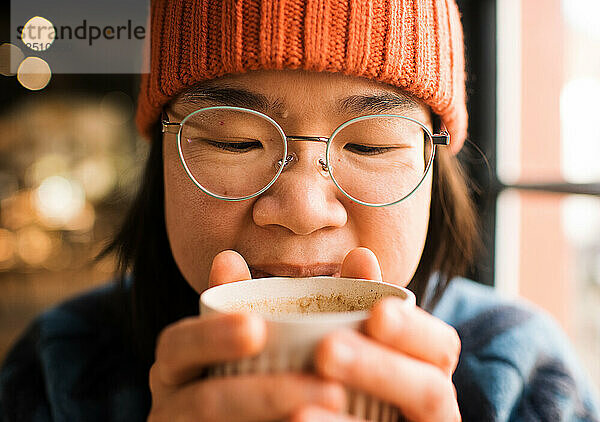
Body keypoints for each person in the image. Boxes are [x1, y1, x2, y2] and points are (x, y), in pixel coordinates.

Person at [1, 0, 599, 421]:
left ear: (433, 169)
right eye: (233, 140)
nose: (303, 210)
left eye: (371, 144)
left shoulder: (520, 372)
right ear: (158, 158)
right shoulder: (57, 369)